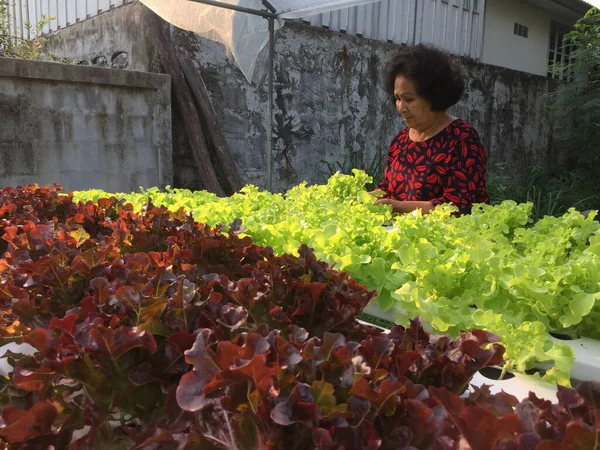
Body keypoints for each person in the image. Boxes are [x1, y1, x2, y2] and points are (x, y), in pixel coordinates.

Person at [373, 44, 490, 215]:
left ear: (433, 96)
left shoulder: (462, 139)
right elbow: (386, 188)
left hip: (451, 238)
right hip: (403, 237)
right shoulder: (400, 141)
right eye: (397, 98)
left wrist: (396, 206)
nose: (401, 107)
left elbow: (458, 206)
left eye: (409, 99)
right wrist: (360, 198)